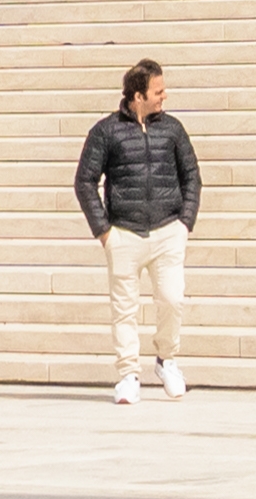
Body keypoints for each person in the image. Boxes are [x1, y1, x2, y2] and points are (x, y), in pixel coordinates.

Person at [76, 60, 199, 403]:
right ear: (137, 94)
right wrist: (104, 232)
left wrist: (184, 223)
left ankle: (166, 360)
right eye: (157, 91)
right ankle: (129, 374)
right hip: (124, 234)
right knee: (124, 309)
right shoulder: (106, 131)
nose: (164, 96)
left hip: (166, 231)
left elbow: (192, 176)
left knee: (172, 299)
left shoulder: (172, 129)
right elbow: (85, 181)